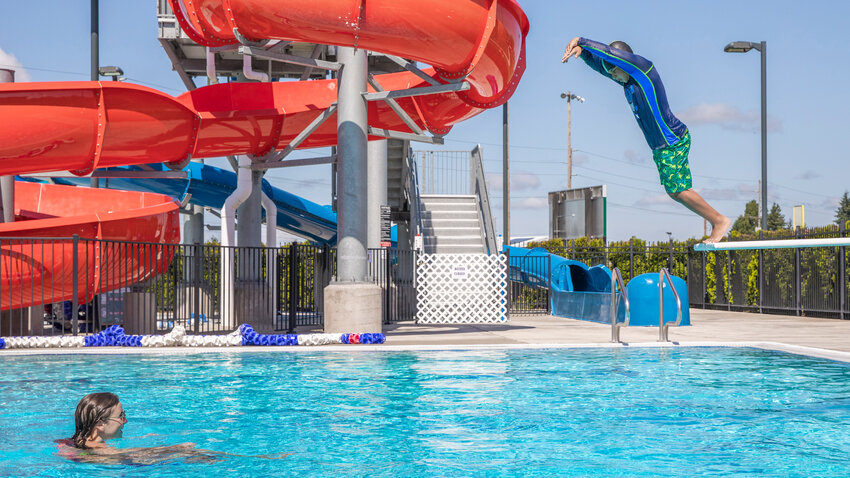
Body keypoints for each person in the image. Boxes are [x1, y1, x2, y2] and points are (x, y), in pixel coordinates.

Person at [562, 37, 731, 243]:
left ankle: (719, 221)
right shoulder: (627, 80)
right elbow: (602, 66)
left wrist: (581, 40)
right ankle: (717, 220)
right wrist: (584, 53)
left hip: (672, 140)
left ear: (624, 63)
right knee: (674, 192)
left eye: (614, 70)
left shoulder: (643, 71)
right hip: (661, 147)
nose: (612, 75)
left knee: (678, 190)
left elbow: (608, 53)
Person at [57, 392, 288, 465]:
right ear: (99, 424)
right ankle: (257, 459)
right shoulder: (97, 450)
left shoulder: (72, 442)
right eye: (121, 416)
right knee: (192, 454)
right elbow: (127, 457)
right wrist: (176, 448)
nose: (125, 421)